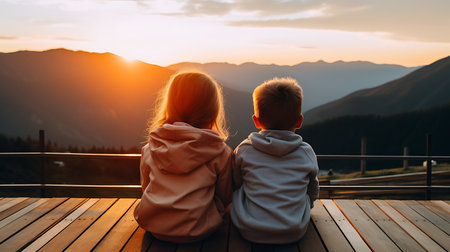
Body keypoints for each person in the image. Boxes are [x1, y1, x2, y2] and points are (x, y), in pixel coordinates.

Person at [134, 72, 233, 243]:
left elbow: (146, 187)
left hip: (155, 226)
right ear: (212, 110)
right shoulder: (219, 152)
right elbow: (225, 196)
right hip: (200, 230)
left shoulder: (151, 148)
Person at [231, 77, 319, 244]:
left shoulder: (245, 149)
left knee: (239, 189)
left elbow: (235, 182)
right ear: (299, 121)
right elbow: (313, 188)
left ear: (256, 121)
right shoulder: (306, 152)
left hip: (250, 230)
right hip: (294, 231)